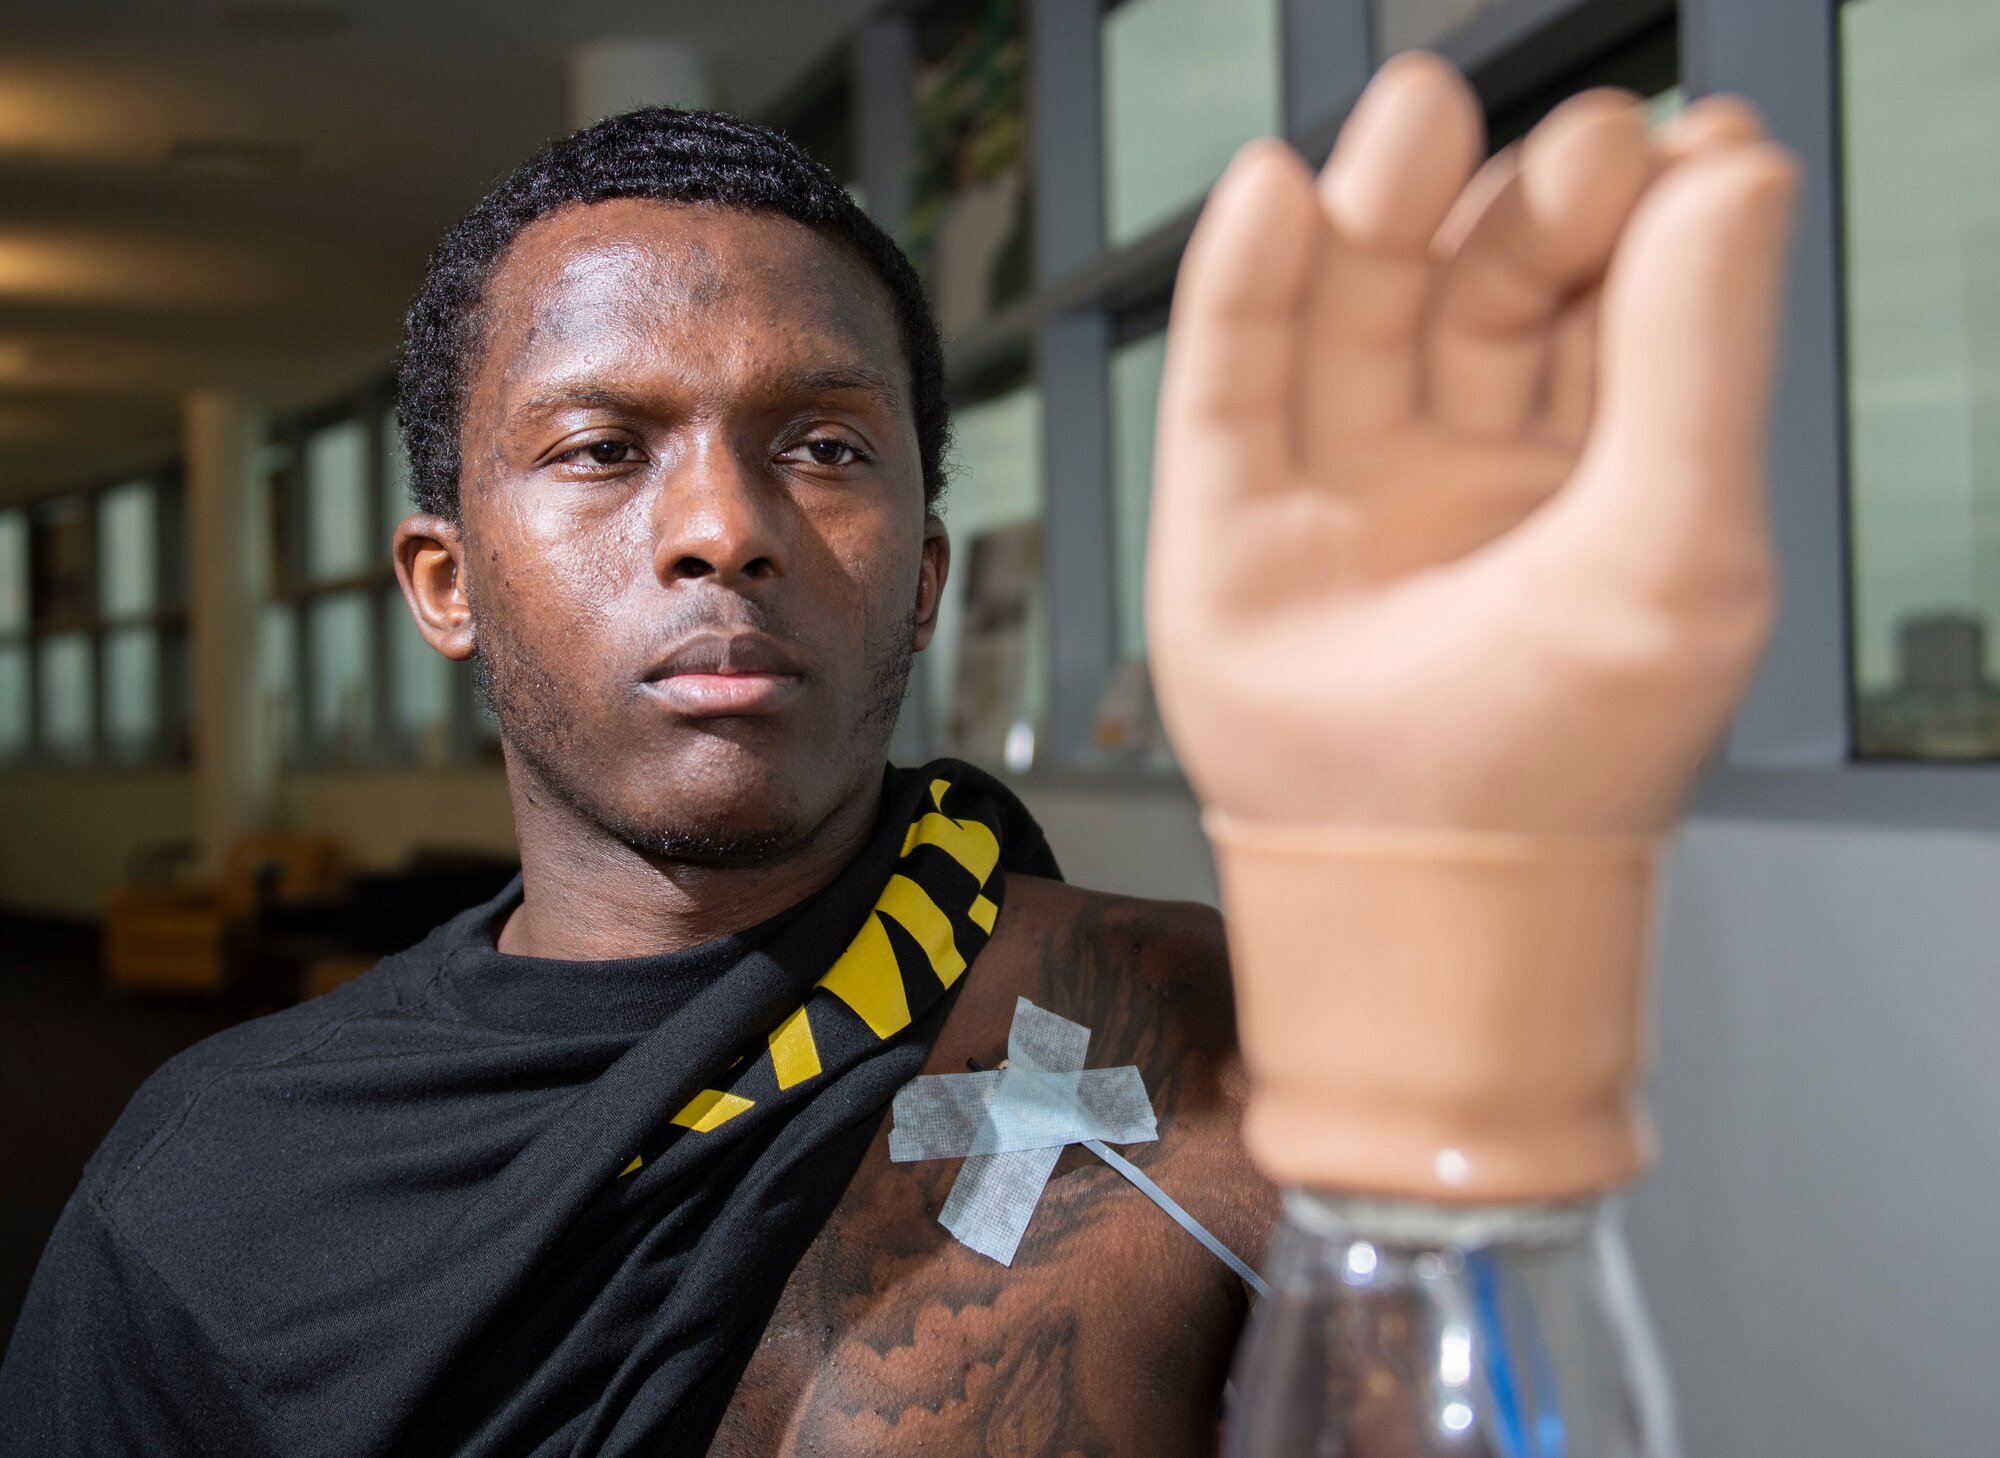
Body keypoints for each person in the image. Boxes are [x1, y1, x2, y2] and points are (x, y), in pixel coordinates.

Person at [0, 46, 1796, 1458]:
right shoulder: (210, 1185)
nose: (724, 527)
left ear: (925, 577)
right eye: (601, 446)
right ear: (444, 581)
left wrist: (1455, 900)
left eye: (828, 445)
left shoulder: (1215, 1030)